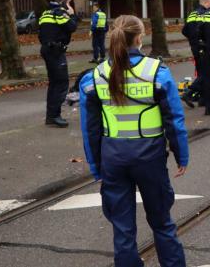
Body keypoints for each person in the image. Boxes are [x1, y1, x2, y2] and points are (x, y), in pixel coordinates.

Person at [79, 15, 189, 267]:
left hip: (113, 159)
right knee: (162, 223)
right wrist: (181, 155)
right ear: (140, 38)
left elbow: (90, 128)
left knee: (122, 228)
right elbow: (174, 119)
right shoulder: (156, 73)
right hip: (149, 158)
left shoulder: (94, 77)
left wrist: (96, 166)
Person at [38, 0, 78, 127]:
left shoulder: (46, 13)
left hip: (47, 49)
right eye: (69, 2)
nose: (70, 5)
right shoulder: (59, 13)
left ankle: (51, 116)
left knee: (54, 83)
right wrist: (72, 14)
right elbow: (72, 27)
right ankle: (54, 116)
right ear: (65, 1)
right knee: (61, 83)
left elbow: (42, 32)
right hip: (55, 51)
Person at [181, 0, 210, 108]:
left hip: (194, 47)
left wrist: (192, 40)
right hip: (203, 46)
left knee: (201, 71)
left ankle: (202, 99)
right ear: (205, 2)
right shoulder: (204, 14)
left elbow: (184, 30)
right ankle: (188, 94)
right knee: (206, 73)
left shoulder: (192, 14)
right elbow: (205, 30)